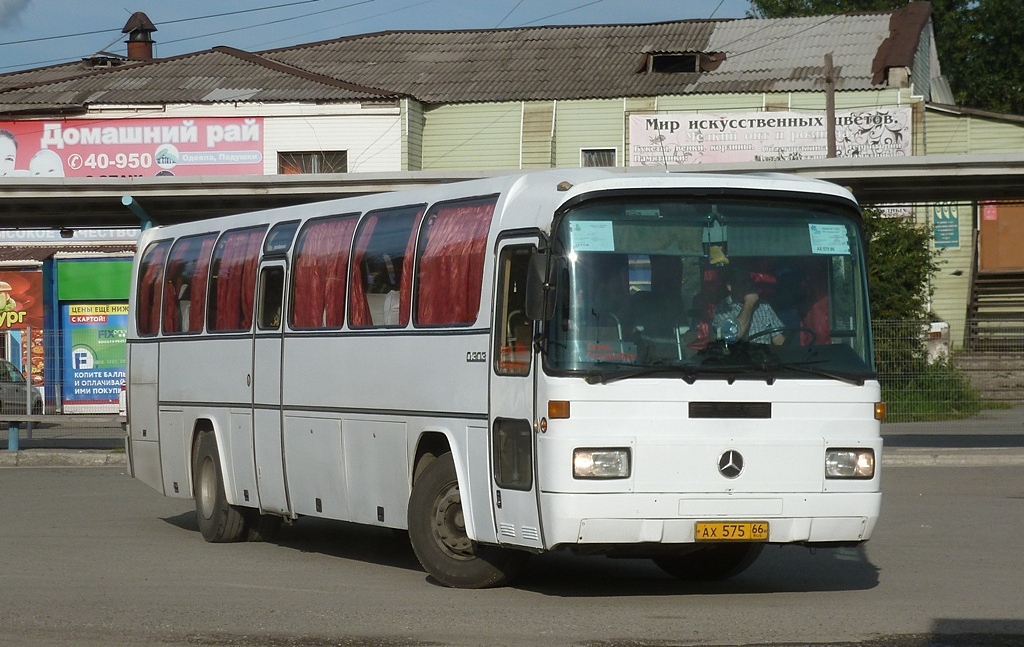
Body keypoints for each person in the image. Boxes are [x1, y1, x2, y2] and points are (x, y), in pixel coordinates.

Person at [712, 264, 785, 345]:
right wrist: (749, 304)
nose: (747, 286)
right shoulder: (722, 310)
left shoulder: (763, 306)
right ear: (730, 287)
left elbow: (777, 337)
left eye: (748, 282)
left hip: (764, 354)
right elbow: (731, 337)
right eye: (743, 283)